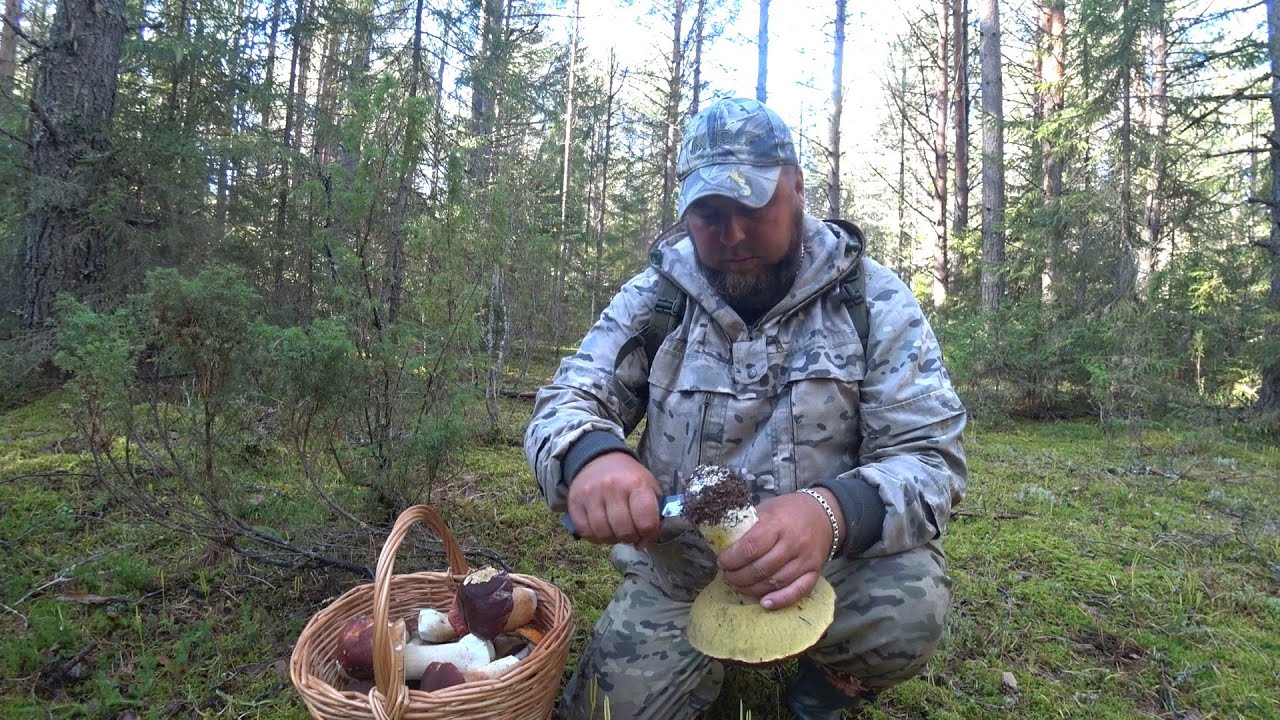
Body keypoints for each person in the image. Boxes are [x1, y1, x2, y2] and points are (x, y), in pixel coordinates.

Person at [525, 97, 967, 720]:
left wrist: (830, 513)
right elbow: (567, 398)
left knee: (909, 604)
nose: (731, 236)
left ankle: (823, 689)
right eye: (709, 213)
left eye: (753, 208)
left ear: (796, 189)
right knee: (605, 711)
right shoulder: (660, 299)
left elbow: (930, 461)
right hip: (680, 577)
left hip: (824, 568)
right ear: (685, 209)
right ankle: (700, 667)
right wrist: (592, 457)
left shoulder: (872, 302)